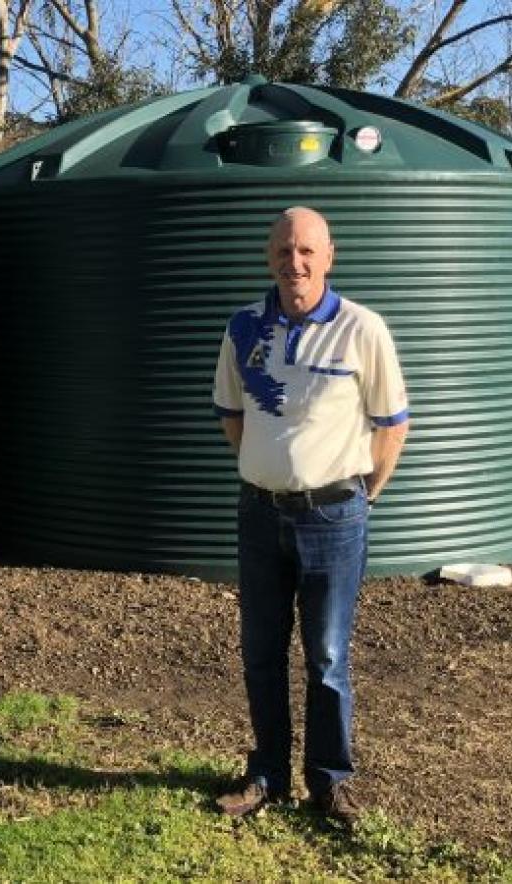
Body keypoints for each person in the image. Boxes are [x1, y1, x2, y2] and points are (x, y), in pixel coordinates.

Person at [211, 206, 410, 825]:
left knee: (326, 656)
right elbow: (232, 412)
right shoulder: (244, 328)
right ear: (269, 258)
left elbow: (392, 425)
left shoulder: (362, 329)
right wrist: (268, 470)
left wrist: (361, 494)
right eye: (282, 253)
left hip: (334, 519)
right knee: (260, 652)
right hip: (260, 517)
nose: (293, 264)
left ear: (329, 256)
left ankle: (330, 783)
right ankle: (267, 773)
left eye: (306, 252)